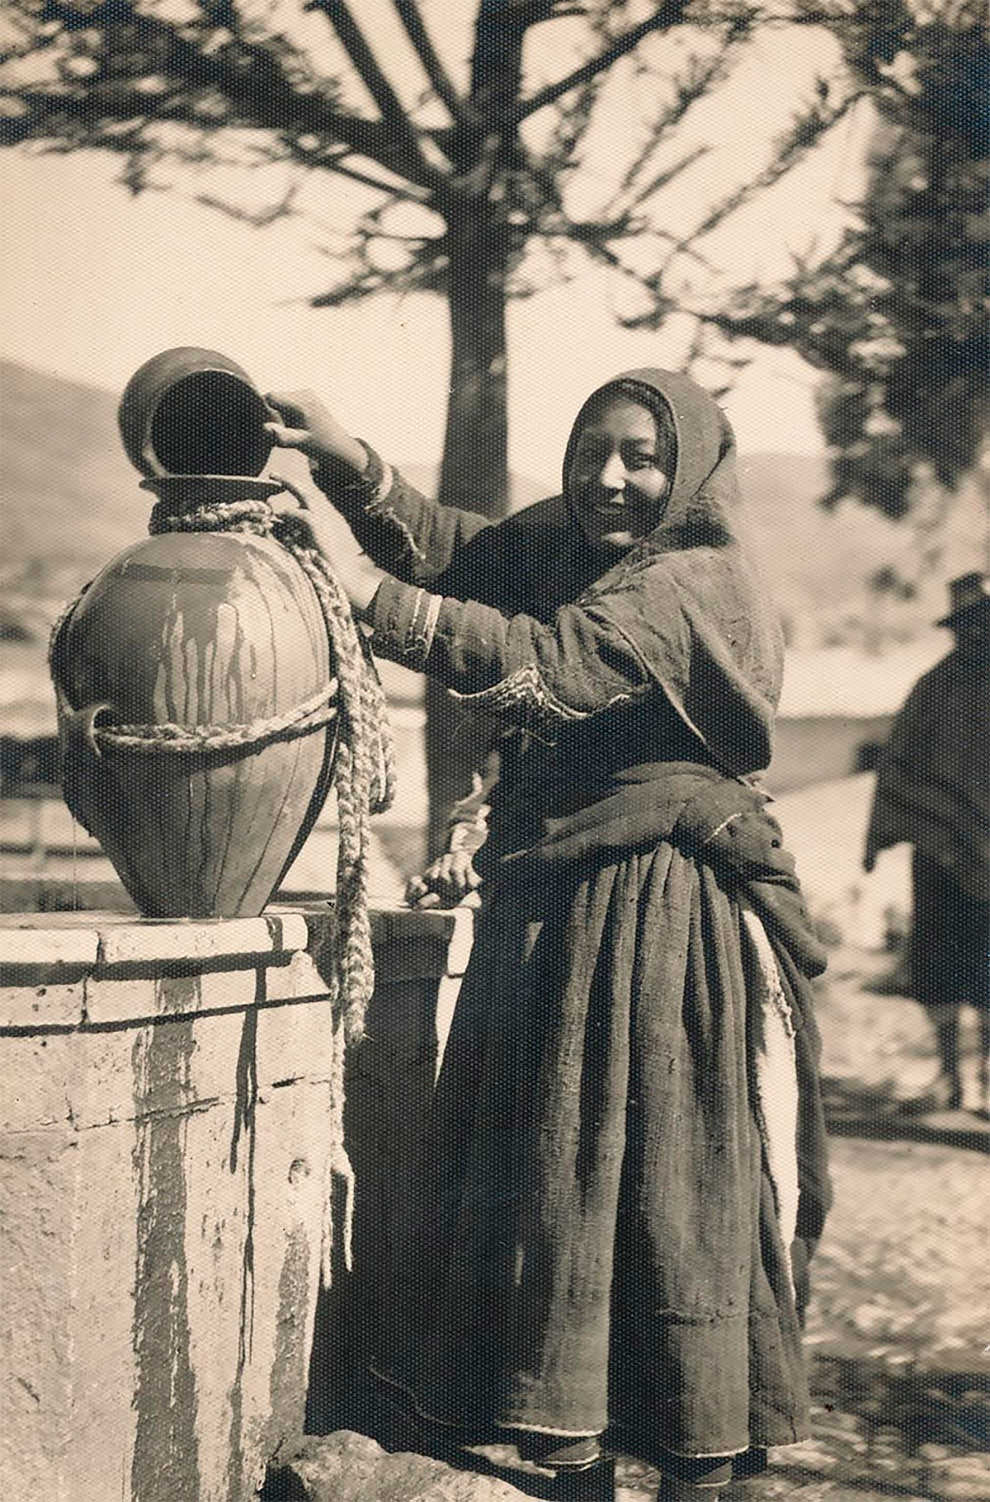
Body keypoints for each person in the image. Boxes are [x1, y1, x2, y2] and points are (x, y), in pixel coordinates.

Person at [265, 370, 831, 1501]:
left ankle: (694, 1462)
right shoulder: (587, 549)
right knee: (552, 1186)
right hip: (562, 910)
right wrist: (339, 453)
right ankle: (572, 1460)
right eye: (591, 451)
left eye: (640, 456)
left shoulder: (689, 582)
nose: (609, 478)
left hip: (656, 919)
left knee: (669, 1194)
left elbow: (547, 669)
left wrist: (359, 591)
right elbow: (458, 549)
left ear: (691, 474)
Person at [864, 572, 990, 1115]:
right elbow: (898, 763)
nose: (973, 635)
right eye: (965, 625)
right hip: (938, 848)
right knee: (939, 959)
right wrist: (882, 832)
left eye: (981, 623)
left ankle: (986, 1076)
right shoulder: (932, 687)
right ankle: (948, 1076)